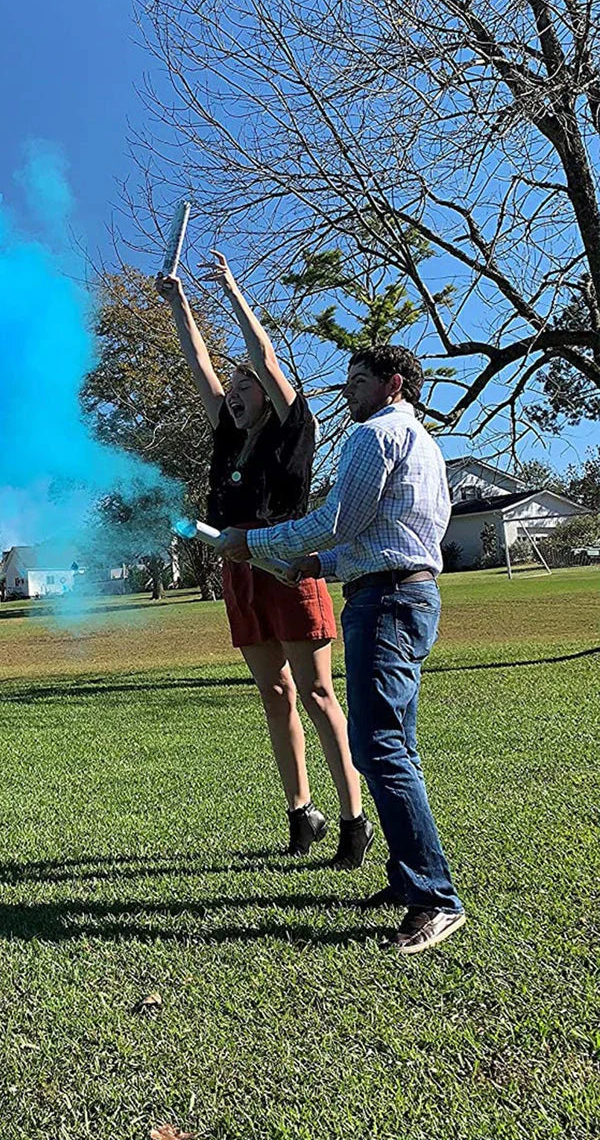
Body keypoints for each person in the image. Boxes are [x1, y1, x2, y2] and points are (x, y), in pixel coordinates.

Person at [215, 345, 466, 955]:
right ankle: (409, 883)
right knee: (392, 745)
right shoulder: (424, 443)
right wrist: (317, 563)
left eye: (358, 380)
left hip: (385, 602)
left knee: (377, 747)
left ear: (393, 384)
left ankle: (433, 899)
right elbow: (387, 532)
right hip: (408, 593)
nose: (347, 389)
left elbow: (337, 518)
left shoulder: (373, 436)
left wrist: (258, 542)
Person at [157, 254, 373, 867]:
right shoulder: (227, 434)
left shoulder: (291, 428)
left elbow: (266, 356)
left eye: (245, 385)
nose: (234, 394)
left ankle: (355, 815)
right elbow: (200, 367)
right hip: (238, 570)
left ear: (270, 391)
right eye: (234, 391)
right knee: (274, 692)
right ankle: (302, 812)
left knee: (317, 693)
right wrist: (178, 303)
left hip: (286, 561)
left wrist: (228, 289)